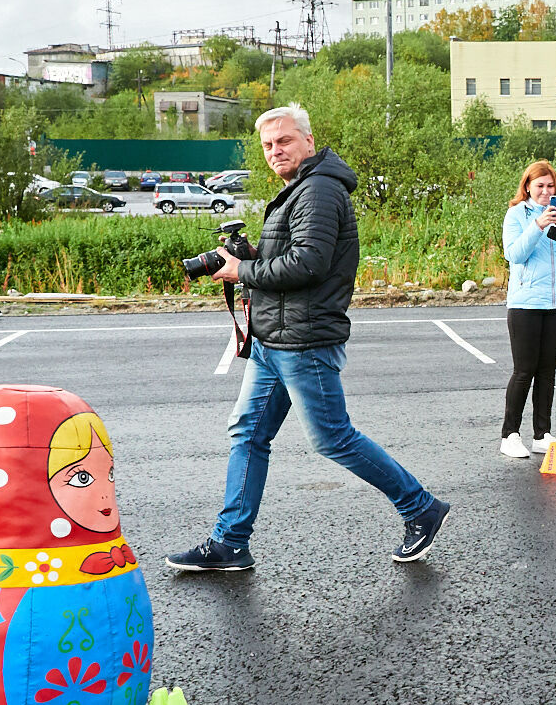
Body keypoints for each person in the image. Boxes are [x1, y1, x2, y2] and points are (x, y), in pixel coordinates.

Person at [169, 103, 450, 571]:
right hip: (273, 341)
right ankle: (230, 542)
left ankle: (420, 508)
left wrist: (242, 271)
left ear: (308, 141)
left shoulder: (318, 189)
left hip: (304, 342)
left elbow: (308, 264)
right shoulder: (300, 187)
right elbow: (295, 255)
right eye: (267, 145)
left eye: (284, 140)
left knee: (332, 438)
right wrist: (252, 256)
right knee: (248, 434)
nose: (275, 151)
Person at [499, 161, 556, 458]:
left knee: (547, 372)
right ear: (527, 187)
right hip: (525, 303)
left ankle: (542, 434)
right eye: (539, 186)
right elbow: (514, 254)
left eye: (551, 186)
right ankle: (510, 435)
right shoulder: (516, 215)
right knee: (524, 371)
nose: (546, 192)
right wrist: (538, 226)